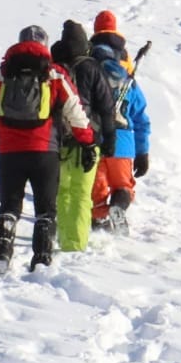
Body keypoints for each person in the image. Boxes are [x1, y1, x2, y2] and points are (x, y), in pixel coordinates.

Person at [0, 24, 96, 272]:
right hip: (45, 151)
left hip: (10, 152)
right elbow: (76, 112)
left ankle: (1, 254)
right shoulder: (54, 74)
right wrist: (87, 142)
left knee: (9, 205)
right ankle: (41, 257)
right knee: (45, 209)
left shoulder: (1, 74)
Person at [51, 19, 116, 254]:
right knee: (81, 193)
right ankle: (76, 244)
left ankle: (63, 238)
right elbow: (107, 107)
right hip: (88, 139)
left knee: (62, 191)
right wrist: (109, 138)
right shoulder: (92, 67)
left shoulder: (54, 68)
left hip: (58, 139)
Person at [90, 27, 152, 233]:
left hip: (95, 139)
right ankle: (119, 206)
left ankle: (98, 218)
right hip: (123, 143)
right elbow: (141, 119)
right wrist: (143, 152)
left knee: (96, 187)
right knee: (123, 185)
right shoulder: (128, 81)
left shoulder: (88, 77)